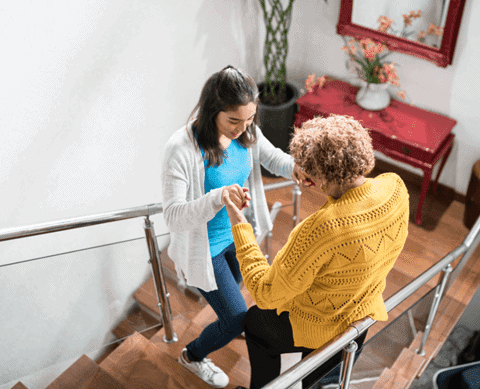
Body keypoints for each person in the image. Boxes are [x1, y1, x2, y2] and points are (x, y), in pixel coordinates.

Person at [222, 115, 410, 389]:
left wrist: (239, 222)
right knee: (319, 380)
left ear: (321, 175)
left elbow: (265, 292)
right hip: (361, 313)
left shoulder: (322, 229)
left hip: (319, 323)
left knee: (255, 322)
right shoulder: (394, 185)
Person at [160, 65, 309, 388]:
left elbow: (273, 159)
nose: (243, 129)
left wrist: (297, 168)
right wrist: (217, 198)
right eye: (234, 121)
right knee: (237, 318)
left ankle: (218, 329)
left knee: (239, 297)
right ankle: (192, 355)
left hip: (239, 237)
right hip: (206, 250)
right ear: (213, 112)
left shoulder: (247, 131)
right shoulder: (181, 149)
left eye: (250, 119)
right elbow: (172, 215)